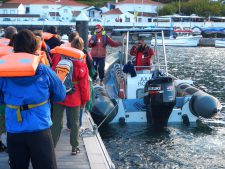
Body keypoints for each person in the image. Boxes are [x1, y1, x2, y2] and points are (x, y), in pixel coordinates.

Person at [0, 29, 66, 169]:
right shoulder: (43, 70)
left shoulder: (3, 73)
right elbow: (60, 94)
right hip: (39, 129)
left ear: (14, 47)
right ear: (33, 46)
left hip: (14, 130)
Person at [51, 42, 90, 155]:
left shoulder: (58, 58)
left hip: (59, 93)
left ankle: (52, 145)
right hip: (74, 95)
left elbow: (53, 76)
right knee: (75, 123)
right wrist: (85, 100)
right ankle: (74, 147)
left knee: (56, 121)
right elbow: (84, 86)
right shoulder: (81, 64)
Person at [72, 37, 96, 127]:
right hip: (80, 84)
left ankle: (70, 124)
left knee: (69, 107)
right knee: (82, 104)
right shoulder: (84, 56)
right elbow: (90, 67)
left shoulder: (65, 56)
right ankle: (79, 125)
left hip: (69, 87)